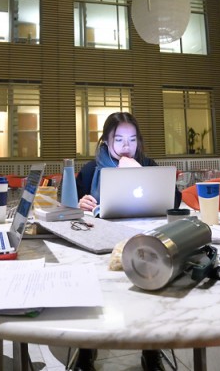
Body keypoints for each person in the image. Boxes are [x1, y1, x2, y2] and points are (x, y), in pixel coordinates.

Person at [75, 112, 179, 371]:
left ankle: (151, 351)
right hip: (99, 240)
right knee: (91, 286)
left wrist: (141, 173)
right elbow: (67, 205)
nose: (125, 146)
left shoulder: (147, 164)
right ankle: (86, 351)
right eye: (118, 139)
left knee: (151, 285)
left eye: (132, 140)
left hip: (142, 239)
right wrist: (79, 204)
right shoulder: (90, 170)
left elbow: (174, 201)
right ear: (106, 141)